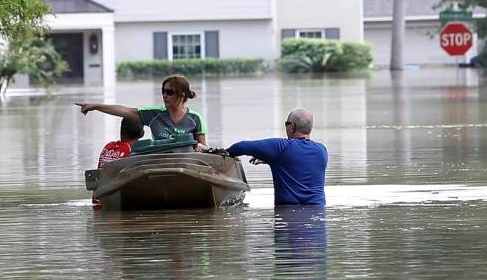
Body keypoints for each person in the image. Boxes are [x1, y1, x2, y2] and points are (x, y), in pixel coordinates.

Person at [77, 75, 208, 151]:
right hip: (159, 164)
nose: (164, 95)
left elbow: (204, 145)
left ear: (182, 95)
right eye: (163, 91)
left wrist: (201, 147)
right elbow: (124, 110)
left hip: (188, 164)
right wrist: (95, 106)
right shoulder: (153, 114)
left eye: (169, 92)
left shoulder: (195, 118)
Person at [228, 108, 327, 205]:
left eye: (286, 124)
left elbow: (241, 147)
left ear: (292, 126)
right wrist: (271, 159)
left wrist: (223, 153)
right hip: (318, 213)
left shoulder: (281, 147)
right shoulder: (322, 150)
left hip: (288, 215)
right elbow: (300, 162)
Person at [93, 118, 144, 210]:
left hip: (99, 198)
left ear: (121, 131)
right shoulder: (133, 152)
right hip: (119, 197)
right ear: (142, 133)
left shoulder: (108, 146)